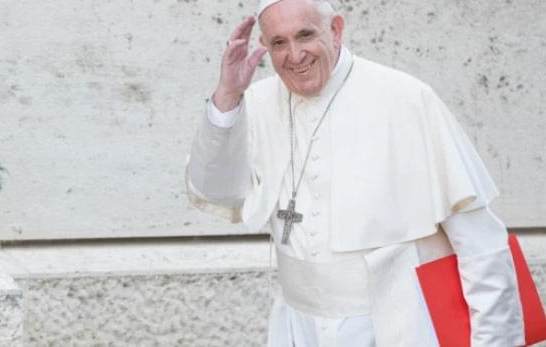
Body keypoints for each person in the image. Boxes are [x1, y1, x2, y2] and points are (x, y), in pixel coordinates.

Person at [186, 0, 525, 345]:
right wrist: (228, 95)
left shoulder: (406, 99)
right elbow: (214, 192)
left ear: (335, 30)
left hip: (397, 327)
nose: (295, 55)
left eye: (305, 35)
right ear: (265, 46)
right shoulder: (256, 102)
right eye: (279, 42)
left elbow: (481, 245)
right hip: (299, 328)